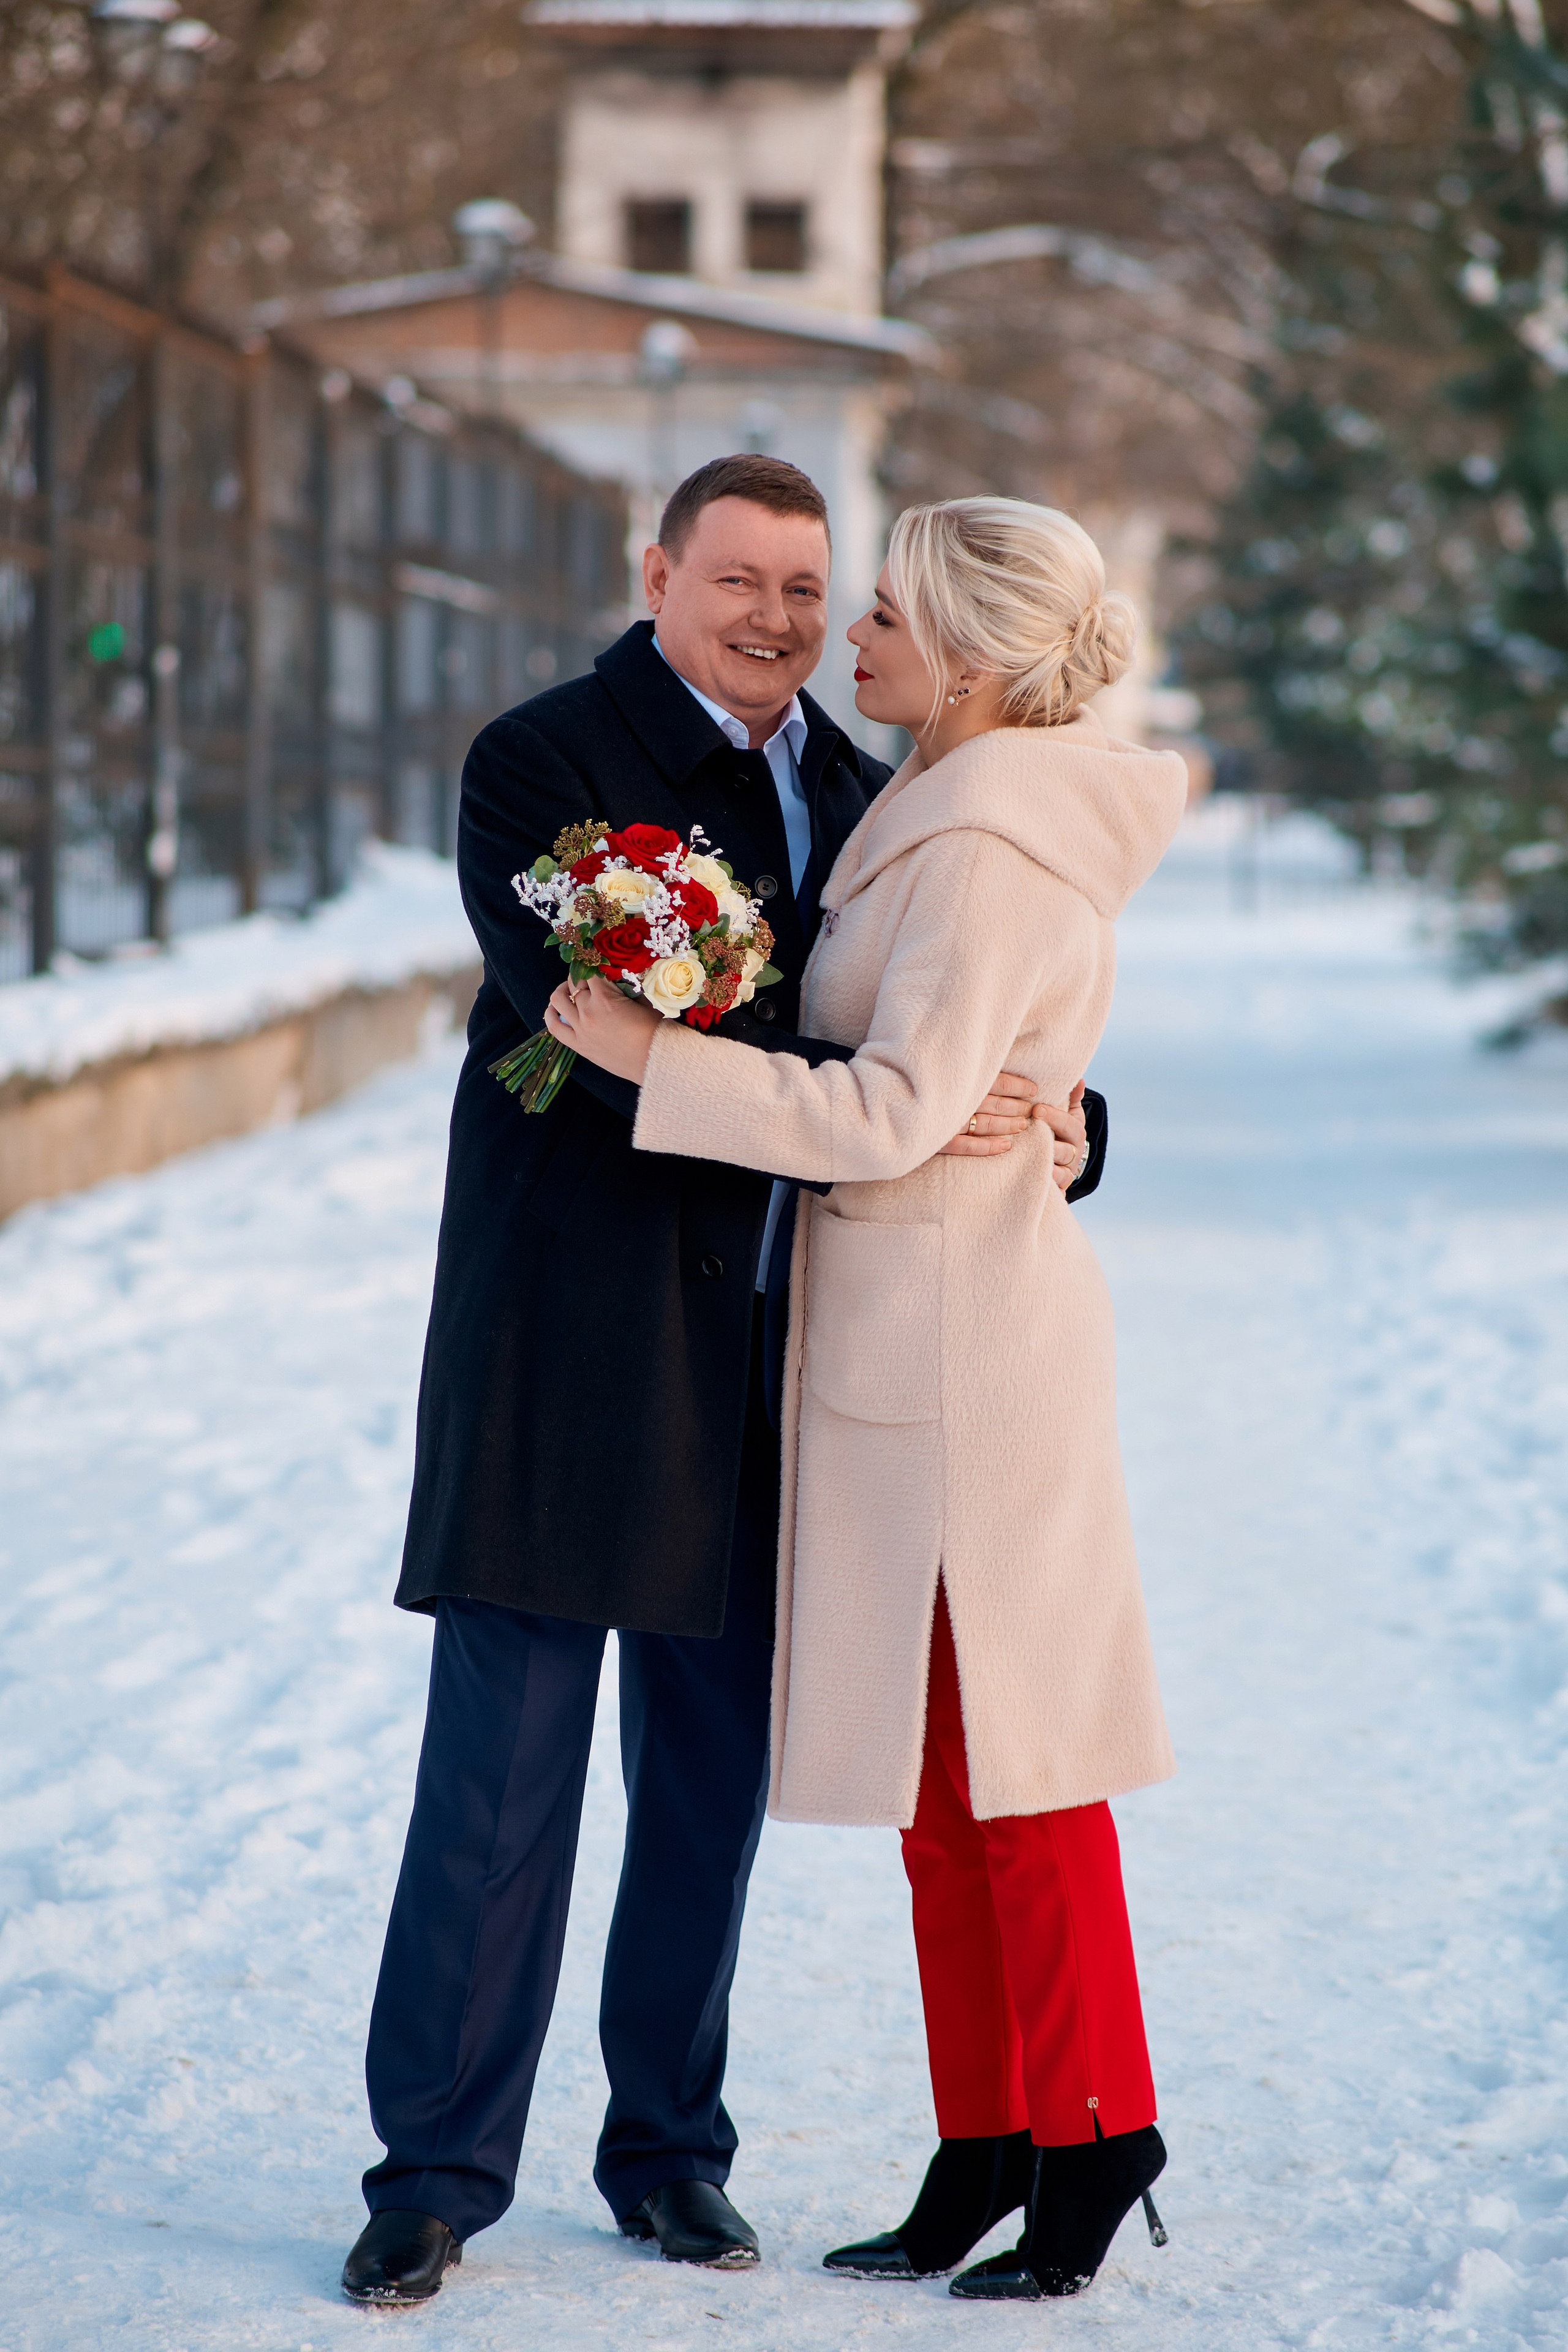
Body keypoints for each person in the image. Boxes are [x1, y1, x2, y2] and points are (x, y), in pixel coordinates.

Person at [340, 456, 1107, 2305]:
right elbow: (597, 1029)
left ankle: (672, 2150)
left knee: (704, 1792)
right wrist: (907, 1099)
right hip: (561, 1347)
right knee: (499, 1788)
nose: (779, 620)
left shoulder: (868, 790)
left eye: (808, 588)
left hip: (772, 1354)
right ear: (658, 572)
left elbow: (945, 1002)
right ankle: (433, 2172)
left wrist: (1058, 1113)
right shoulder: (540, 762)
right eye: (740, 580)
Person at [545, 493, 1187, 2303]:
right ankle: (987, 2136)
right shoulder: (932, 808)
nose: (853, 638)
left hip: (967, 1358)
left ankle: (1097, 2126)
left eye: (885, 612)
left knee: (1025, 1781)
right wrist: (1054, 1112)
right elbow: (963, 1081)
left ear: (968, 659)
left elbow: (896, 1109)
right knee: (945, 1793)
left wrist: (657, 1061)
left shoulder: (983, 848)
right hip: (910, 1343)